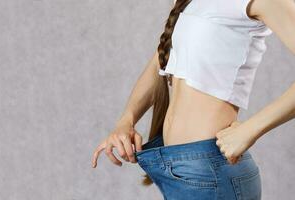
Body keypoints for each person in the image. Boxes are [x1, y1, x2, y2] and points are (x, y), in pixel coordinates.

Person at [91, 0, 295, 199]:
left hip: (209, 171)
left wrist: (249, 131)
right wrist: (126, 120)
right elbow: (160, 62)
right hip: (178, 167)